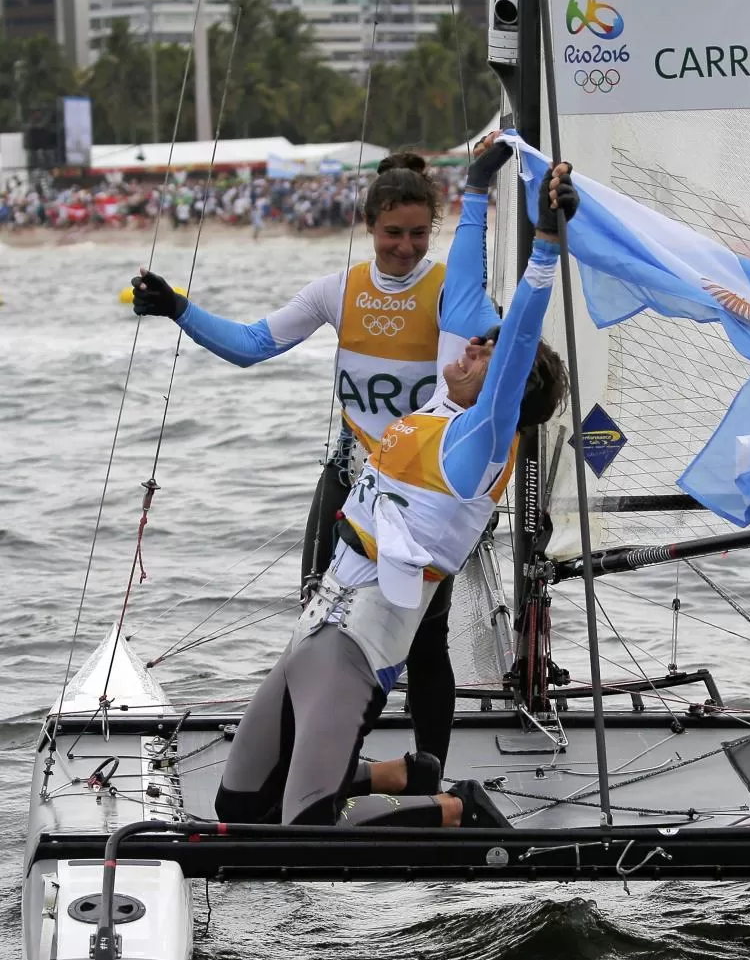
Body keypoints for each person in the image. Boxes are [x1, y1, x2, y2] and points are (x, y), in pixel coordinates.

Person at [212, 159, 577, 830]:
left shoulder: (480, 442)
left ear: (507, 389)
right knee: (236, 805)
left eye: (484, 355)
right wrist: (473, 191)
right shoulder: (441, 402)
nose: (470, 346)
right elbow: (465, 276)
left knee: (306, 822)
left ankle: (456, 810)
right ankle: (407, 775)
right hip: (315, 626)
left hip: (356, 647)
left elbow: (520, 332)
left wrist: (547, 240)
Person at [130, 148, 506, 771]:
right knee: (319, 618)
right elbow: (252, 346)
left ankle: (429, 769)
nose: (406, 248)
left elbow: (490, 333)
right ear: (369, 227)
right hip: (356, 478)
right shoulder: (338, 291)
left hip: (427, 492)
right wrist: (178, 309)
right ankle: (309, 758)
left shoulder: (449, 295)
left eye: (418, 234)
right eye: (393, 234)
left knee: (424, 640)